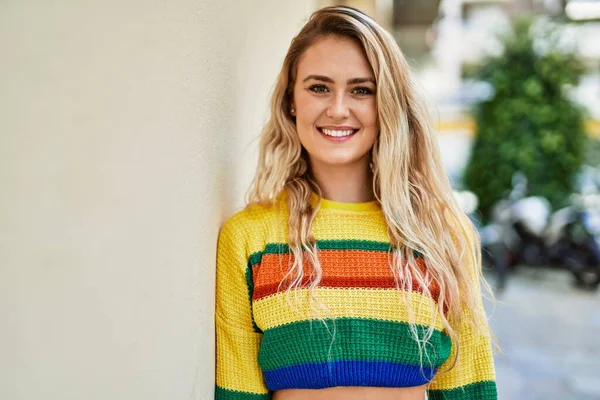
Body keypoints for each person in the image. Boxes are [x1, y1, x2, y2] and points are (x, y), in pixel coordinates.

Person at [215, 6, 497, 400]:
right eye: (319, 87)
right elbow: (237, 391)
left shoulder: (444, 235)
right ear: (291, 101)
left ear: (387, 105)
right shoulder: (250, 237)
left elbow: (470, 388)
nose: (338, 109)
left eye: (361, 90)